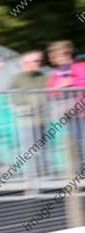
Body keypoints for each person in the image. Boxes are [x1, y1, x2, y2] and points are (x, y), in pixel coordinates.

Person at [46, 40, 85, 169]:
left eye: (63, 54)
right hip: (68, 115)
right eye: (56, 56)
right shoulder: (54, 74)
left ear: (68, 53)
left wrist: (71, 82)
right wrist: (57, 87)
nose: (60, 58)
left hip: (82, 112)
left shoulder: (80, 66)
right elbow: (49, 93)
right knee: (75, 145)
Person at [10, 51, 49, 177]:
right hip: (26, 121)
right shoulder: (17, 78)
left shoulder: (43, 76)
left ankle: (43, 175)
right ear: (25, 64)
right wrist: (22, 104)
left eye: (38, 61)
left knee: (42, 148)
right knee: (29, 149)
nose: (37, 63)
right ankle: (31, 177)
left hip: (41, 119)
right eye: (34, 61)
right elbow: (12, 94)